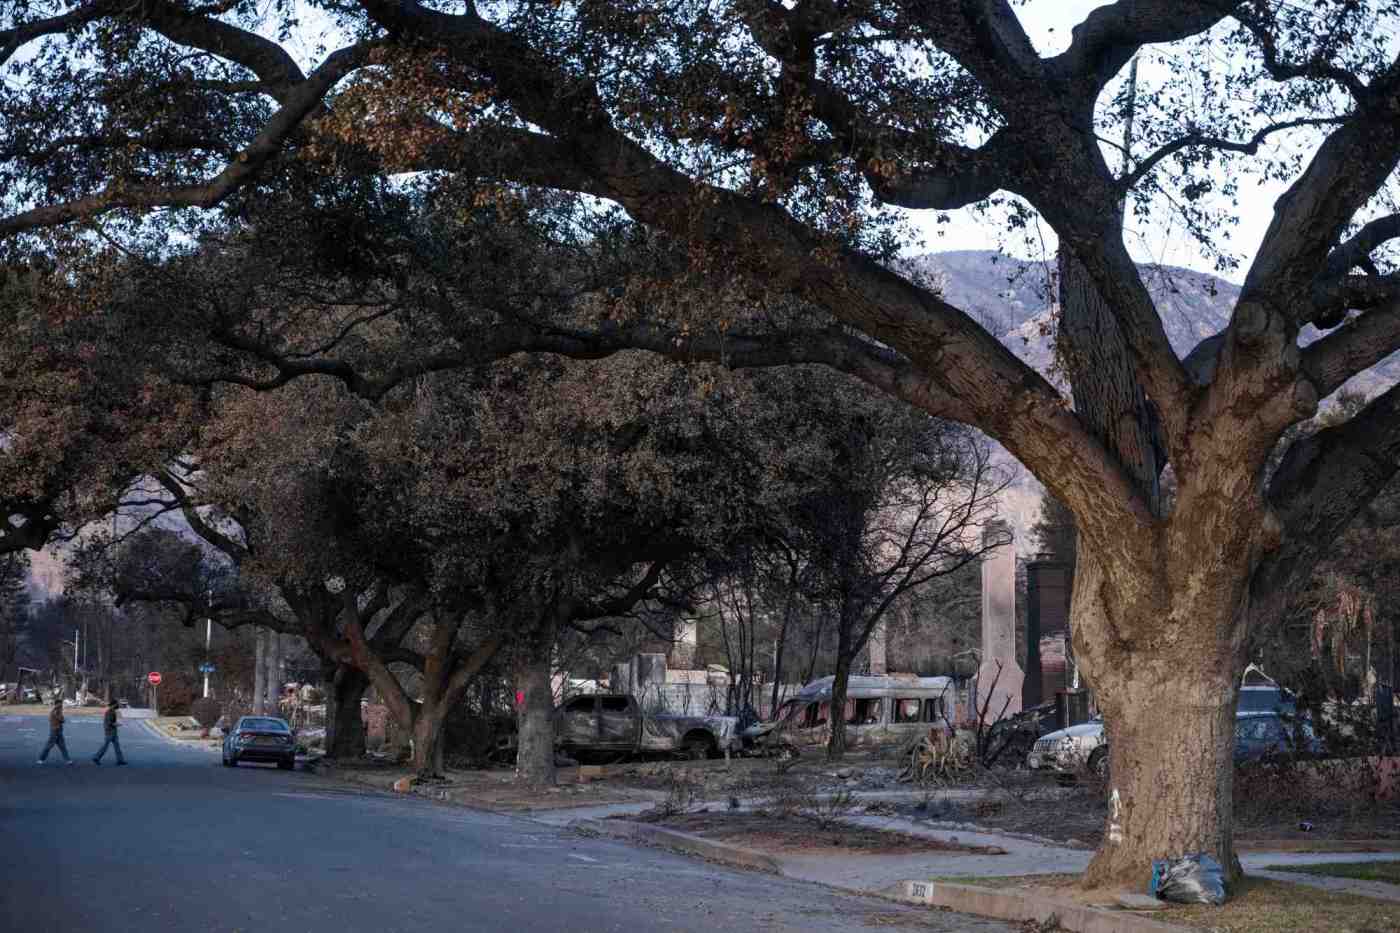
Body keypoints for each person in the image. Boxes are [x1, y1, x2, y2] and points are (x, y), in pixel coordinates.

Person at [38, 696, 75, 765]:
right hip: (54, 732)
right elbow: (62, 720)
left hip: (58, 731)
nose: (62, 706)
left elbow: (62, 719)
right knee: (49, 746)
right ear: (57, 704)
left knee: (62, 746)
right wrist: (59, 718)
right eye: (60, 704)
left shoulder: (58, 711)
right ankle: (41, 759)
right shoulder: (55, 712)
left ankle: (68, 760)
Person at [93, 698, 127, 765]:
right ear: (113, 705)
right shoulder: (109, 712)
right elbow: (110, 723)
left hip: (112, 731)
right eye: (116, 704)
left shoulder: (111, 711)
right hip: (110, 732)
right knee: (105, 746)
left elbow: (110, 722)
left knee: (117, 746)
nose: (118, 705)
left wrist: (116, 724)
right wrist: (118, 724)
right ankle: (96, 757)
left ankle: (120, 760)